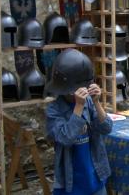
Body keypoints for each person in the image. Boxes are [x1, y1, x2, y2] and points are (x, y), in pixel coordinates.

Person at [45, 49, 113, 195]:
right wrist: (78, 107)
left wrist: (96, 102)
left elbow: (106, 128)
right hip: (70, 182)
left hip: (96, 174)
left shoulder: (89, 102)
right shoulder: (54, 110)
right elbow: (65, 138)